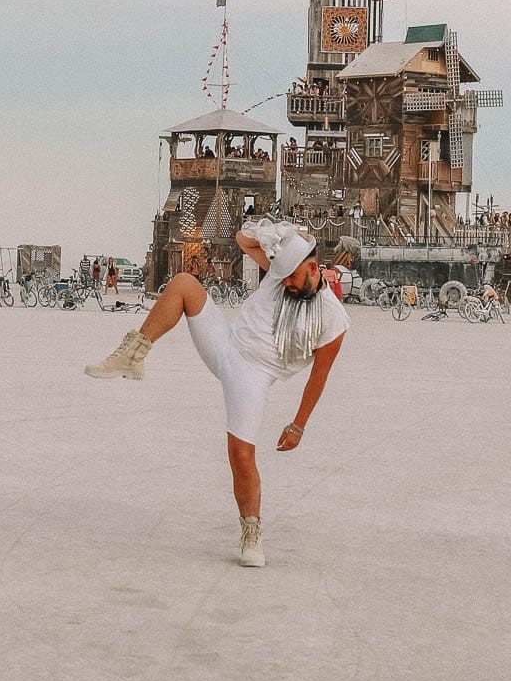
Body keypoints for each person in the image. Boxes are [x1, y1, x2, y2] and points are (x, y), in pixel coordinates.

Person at [83, 220, 349, 568]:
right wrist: (266, 233)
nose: (285, 283)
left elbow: (320, 375)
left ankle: (251, 531)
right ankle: (133, 354)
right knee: (184, 284)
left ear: (312, 268)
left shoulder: (334, 319)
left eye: (291, 279)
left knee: (240, 455)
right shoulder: (282, 269)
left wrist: (298, 424)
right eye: (282, 277)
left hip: (253, 375)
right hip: (225, 343)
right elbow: (243, 241)